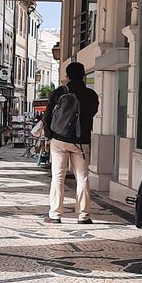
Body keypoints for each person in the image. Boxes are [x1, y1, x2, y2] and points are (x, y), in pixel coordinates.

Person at [43, 61, 99, 224]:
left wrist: (50, 135)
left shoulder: (60, 92)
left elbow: (47, 116)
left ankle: (55, 214)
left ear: (67, 76)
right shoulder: (91, 95)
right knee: (82, 179)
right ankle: (83, 215)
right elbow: (91, 114)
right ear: (83, 76)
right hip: (81, 142)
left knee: (58, 178)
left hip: (59, 140)